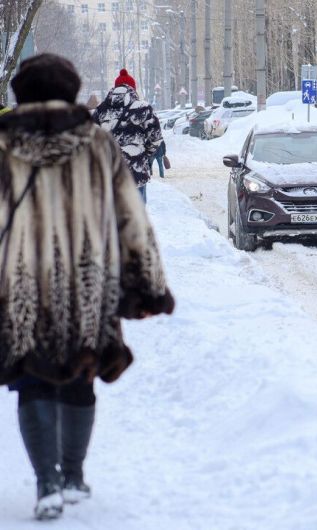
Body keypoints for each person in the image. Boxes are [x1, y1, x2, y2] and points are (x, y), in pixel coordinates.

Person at [0, 54, 175, 520]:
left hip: (21, 283)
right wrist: (147, 285)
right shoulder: (98, 143)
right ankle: (74, 475)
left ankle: (47, 483)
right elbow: (129, 217)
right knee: (80, 376)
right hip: (87, 283)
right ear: (74, 92)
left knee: (32, 380)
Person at [93, 68, 162, 203]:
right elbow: (155, 138)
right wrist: (143, 154)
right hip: (135, 174)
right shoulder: (143, 108)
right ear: (133, 89)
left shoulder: (100, 110)